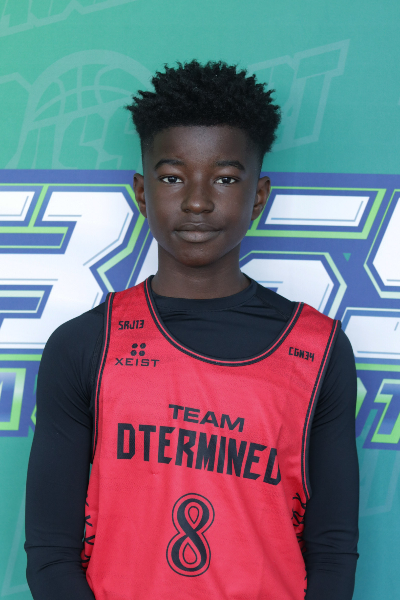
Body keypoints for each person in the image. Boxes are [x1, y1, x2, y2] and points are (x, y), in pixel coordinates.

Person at [25, 60, 359, 600]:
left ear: (258, 195)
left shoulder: (318, 350)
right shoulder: (85, 345)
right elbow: (50, 554)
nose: (197, 201)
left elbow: (333, 549)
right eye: (172, 177)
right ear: (141, 193)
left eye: (225, 178)